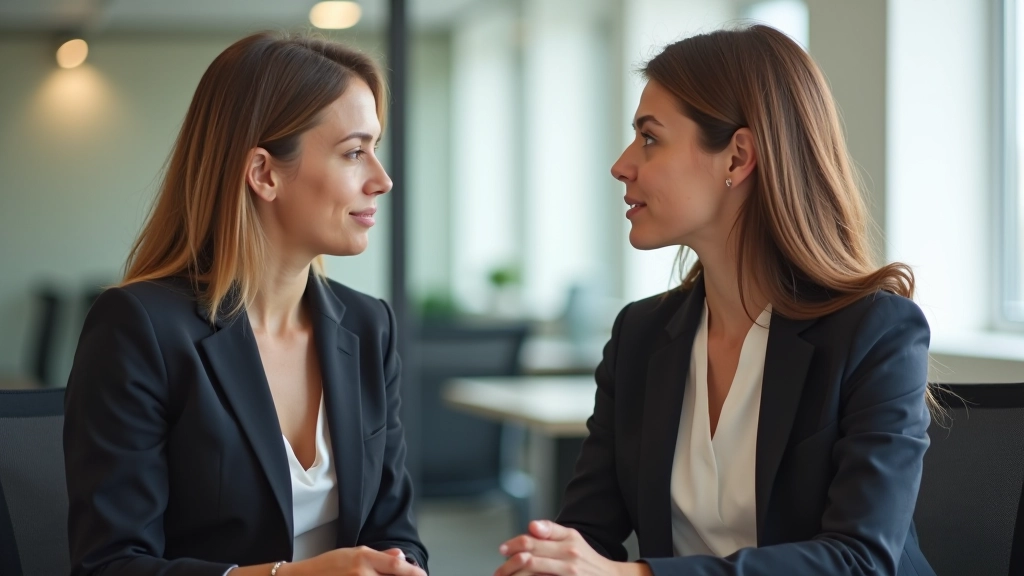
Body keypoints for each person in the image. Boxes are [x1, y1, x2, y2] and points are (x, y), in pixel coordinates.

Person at [495, 25, 935, 576]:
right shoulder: (641, 334)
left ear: (737, 158)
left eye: (649, 138)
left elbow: (860, 559)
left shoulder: (875, 332)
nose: (622, 164)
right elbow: (587, 535)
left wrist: (637, 575)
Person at [63, 31, 428, 576]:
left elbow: (396, 532)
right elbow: (111, 565)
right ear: (264, 173)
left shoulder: (369, 325)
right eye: (354, 152)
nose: (382, 179)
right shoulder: (139, 328)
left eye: (376, 150)